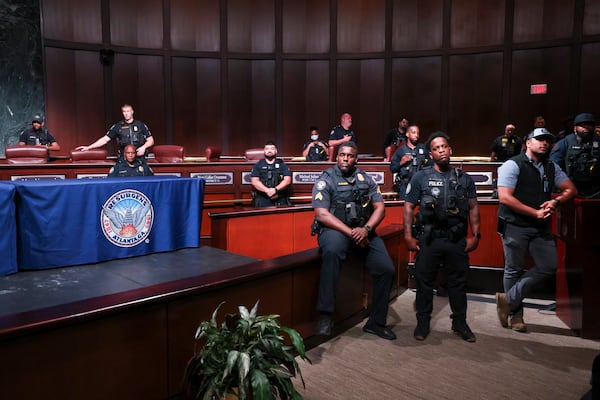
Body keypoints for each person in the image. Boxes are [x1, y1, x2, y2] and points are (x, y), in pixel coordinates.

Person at [312, 141, 396, 340]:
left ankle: (376, 323)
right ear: (336, 156)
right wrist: (352, 233)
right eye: (342, 155)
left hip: (362, 229)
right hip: (336, 229)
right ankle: (325, 315)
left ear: (355, 158)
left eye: (350, 156)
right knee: (332, 252)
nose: (345, 158)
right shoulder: (326, 179)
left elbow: (380, 208)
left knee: (386, 269)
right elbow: (321, 215)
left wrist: (366, 230)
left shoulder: (365, 178)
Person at [495, 128, 576, 333]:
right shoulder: (512, 164)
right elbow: (505, 197)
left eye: (547, 140)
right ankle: (516, 315)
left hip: (540, 227)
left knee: (549, 265)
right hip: (515, 225)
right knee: (513, 269)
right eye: (539, 139)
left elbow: (571, 189)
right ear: (527, 143)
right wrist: (534, 213)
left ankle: (508, 300)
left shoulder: (551, 166)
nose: (544, 143)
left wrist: (556, 201)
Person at [403, 131, 481, 343]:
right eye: (436, 148)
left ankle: (460, 323)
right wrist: (408, 236)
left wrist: (475, 235)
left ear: (450, 149)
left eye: (444, 147)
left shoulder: (464, 179)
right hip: (429, 239)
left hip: (456, 240)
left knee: (457, 283)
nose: (441, 151)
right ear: (431, 153)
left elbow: (474, 208)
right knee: (425, 282)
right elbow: (409, 207)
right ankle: (422, 322)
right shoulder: (421, 177)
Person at [549, 113, 600, 198]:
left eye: (589, 124)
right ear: (575, 128)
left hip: (595, 188)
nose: (586, 127)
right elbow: (553, 165)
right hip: (571, 187)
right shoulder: (566, 142)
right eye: (582, 125)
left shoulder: (598, 142)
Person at [76, 104, 154, 158]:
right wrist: (89, 147)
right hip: (124, 158)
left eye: (128, 111)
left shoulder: (140, 125)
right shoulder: (118, 126)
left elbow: (151, 140)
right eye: (124, 111)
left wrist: (144, 147)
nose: (126, 113)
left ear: (132, 112)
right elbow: (105, 139)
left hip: (139, 157)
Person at [389, 124, 430, 199]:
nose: (416, 135)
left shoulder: (423, 149)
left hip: (421, 185)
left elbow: (431, 165)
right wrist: (402, 162)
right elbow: (392, 168)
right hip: (405, 185)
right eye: (413, 133)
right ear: (407, 134)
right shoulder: (400, 150)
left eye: (417, 133)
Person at [250, 141, 292, 207]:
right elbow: (254, 181)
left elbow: (287, 181)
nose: (269, 150)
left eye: (272, 148)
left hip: (280, 198)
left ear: (276, 151)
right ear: (264, 151)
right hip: (262, 198)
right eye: (267, 149)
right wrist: (267, 191)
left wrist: (275, 190)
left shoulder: (282, 165)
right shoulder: (258, 165)